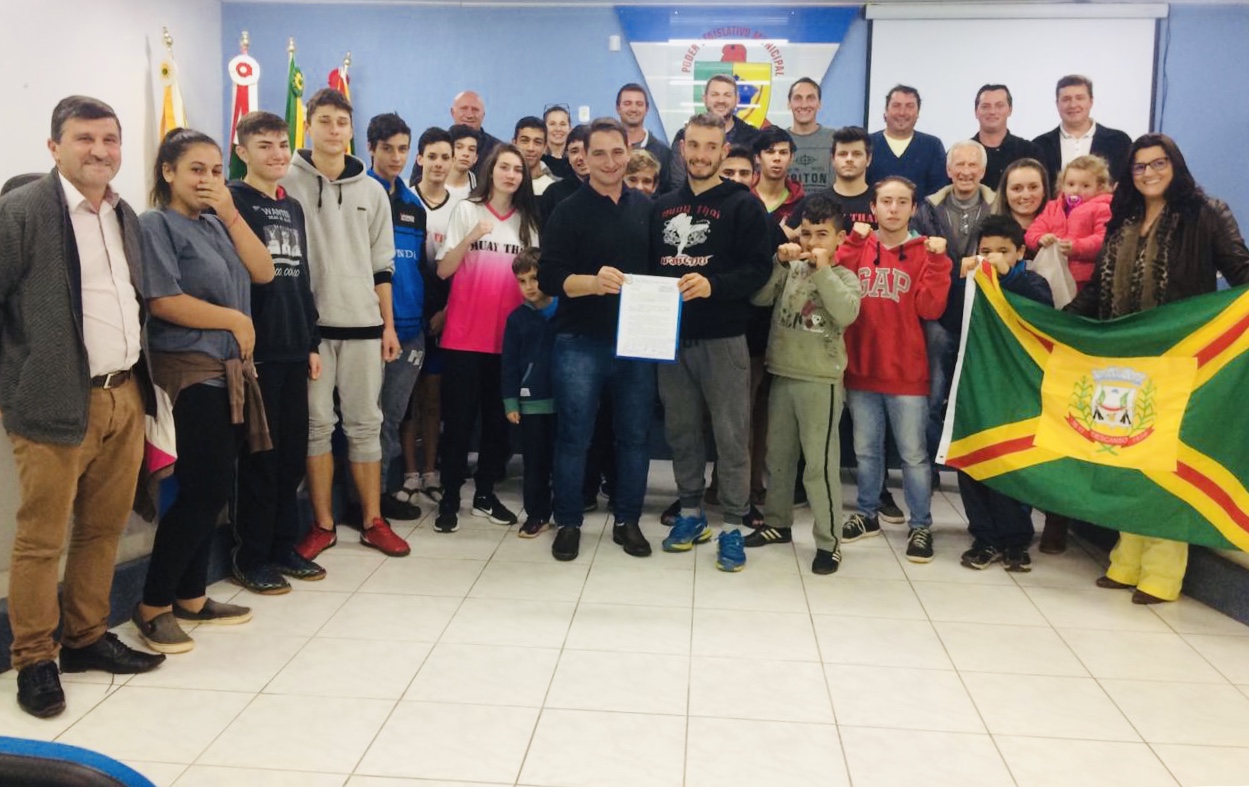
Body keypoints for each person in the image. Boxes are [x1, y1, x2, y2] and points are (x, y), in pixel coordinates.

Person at [0, 95, 165, 718]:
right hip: (52, 399)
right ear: (54, 147)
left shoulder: (125, 216)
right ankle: (35, 659)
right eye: (84, 138)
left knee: (102, 527)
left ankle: (86, 638)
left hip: (123, 393)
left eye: (110, 139)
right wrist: (10, 389)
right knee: (41, 539)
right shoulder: (21, 212)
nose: (100, 150)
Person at [1068, 133, 1249, 603]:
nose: (1148, 173)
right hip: (1125, 358)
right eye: (1140, 166)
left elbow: (1241, 272)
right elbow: (1098, 290)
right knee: (1129, 459)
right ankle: (1126, 561)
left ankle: (1163, 575)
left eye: (1158, 163)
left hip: (1180, 357)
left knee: (1165, 464)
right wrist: (1058, 325)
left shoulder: (1206, 212)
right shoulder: (1123, 217)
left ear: (1175, 165)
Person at [133, 128, 275, 653]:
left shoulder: (216, 224)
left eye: (216, 171)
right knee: (203, 491)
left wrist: (231, 212)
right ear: (168, 171)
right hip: (188, 373)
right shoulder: (155, 224)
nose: (208, 180)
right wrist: (234, 320)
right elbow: (162, 300)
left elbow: (264, 272)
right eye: (196, 169)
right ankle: (152, 605)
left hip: (228, 374)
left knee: (212, 491)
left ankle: (191, 596)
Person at [282, 88, 410, 560]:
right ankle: (322, 524)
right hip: (310, 332)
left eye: (341, 122)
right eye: (325, 121)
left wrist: (388, 326)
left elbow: (382, 267)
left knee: (365, 424)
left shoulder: (372, 191)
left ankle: (373, 521)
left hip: (363, 325)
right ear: (308, 126)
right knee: (316, 426)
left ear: (352, 129)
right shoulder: (286, 182)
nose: (334, 130)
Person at [653, 112, 773, 559]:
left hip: (724, 340)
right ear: (682, 149)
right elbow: (649, 269)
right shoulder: (662, 206)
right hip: (672, 340)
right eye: (694, 145)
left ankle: (734, 526)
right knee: (682, 432)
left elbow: (758, 270)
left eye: (710, 146)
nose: (701, 155)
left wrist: (713, 285)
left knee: (731, 435)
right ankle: (690, 512)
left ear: (724, 151)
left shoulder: (743, 205)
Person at [538, 117, 655, 562]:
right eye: (599, 153)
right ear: (583, 158)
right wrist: (591, 282)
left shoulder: (646, 208)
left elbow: (660, 271)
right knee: (574, 437)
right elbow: (548, 277)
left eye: (617, 152)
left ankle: (628, 520)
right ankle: (568, 522)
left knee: (635, 437)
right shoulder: (568, 209)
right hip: (580, 340)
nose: (610, 162)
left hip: (638, 342)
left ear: (629, 153)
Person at [228, 111, 327, 595]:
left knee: (290, 457)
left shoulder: (293, 207)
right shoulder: (231, 201)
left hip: (293, 347)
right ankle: (251, 556)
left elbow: (301, 277)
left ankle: (283, 545)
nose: (277, 154)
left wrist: (311, 341)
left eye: (283, 144)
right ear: (242, 151)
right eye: (264, 145)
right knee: (260, 460)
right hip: (257, 352)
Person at [745, 192, 861, 575]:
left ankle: (829, 542)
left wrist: (823, 270)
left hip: (820, 380)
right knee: (778, 459)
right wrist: (778, 263)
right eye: (807, 233)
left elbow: (845, 312)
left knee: (818, 466)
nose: (812, 242)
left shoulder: (844, 277)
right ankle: (777, 524)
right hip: (783, 372)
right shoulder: (791, 269)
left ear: (840, 239)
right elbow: (760, 297)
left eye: (822, 234)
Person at [837, 176, 952, 564]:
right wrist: (853, 242)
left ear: (913, 208)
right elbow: (838, 283)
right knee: (866, 451)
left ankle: (920, 524)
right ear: (873, 207)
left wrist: (938, 262)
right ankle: (867, 514)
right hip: (861, 368)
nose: (893, 208)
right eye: (886, 201)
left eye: (902, 202)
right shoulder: (859, 246)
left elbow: (930, 309)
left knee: (913, 456)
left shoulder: (925, 252)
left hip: (906, 373)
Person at [434, 144, 541, 533]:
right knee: (458, 424)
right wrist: (472, 237)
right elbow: (444, 270)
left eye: (518, 169)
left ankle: (484, 495)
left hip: (509, 341)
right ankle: (449, 499)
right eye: (504, 167)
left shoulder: (529, 220)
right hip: (464, 336)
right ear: (491, 170)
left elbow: (534, 280)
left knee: (498, 425)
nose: (511, 174)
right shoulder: (467, 210)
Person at [954, 215, 1053, 572]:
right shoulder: (971, 280)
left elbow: (1043, 308)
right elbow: (949, 318)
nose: (993, 257)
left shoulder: (1031, 281)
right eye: (985, 251)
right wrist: (958, 280)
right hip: (975, 385)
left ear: (1020, 252)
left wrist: (1008, 275)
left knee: (1009, 461)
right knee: (973, 459)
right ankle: (984, 537)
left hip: (1015, 389)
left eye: (1003, 251)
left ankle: (1015, 539)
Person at [913, 141, 994, 469]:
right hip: (939, 312)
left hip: (983, 313)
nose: (966, 171)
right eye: (959, 165)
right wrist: (957, 267)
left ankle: (977, 468)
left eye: (972, 165)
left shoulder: (998, 207)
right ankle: (930, 466)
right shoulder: (927, 209)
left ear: (983, 171)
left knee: (979, 393)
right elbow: (921, 259)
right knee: (932, 394)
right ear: (948, 170)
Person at [366, 113, 429, 523]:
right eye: (387, 148)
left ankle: (382, 494)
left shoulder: (412, 205)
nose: (395, 157)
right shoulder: (360, 194)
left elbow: (418, 266)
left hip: (410, 331)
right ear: (371, 148)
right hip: (368, 330)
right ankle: (360, 499)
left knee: (391, 417)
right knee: (364, 419)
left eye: (402, 149)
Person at [399, 128, 460, 506]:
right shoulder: (404, 201)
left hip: (445, 312)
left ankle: (431, 471)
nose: (438, 164)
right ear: (419, 159)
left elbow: (464, 267)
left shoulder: (461, 206)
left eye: (445, 157)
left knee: (434, 399)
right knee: (408, 398)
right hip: (409, 312)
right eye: (432, 156)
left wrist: (448, 311)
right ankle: (409, 472)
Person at [502, 248, 558, 537]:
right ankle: (537, 514)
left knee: (563, 461)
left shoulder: (566, 311)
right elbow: (509, 363)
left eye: (534, 278)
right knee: (534, 464)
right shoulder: (516, 319)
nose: (529, 287)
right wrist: (511, 401)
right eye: (522, 281)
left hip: (565, 401)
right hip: (531, 404)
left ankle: (566, 512)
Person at [1025, 154, 1113, 290]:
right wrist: (1040, 239)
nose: (1076, 190)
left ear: (1100, 188)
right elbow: (1032, 231)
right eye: (1071, 184)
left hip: (1084, 280)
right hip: (1052, 276)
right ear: (1062, 185)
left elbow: (1103, 240)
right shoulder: (1052, 208)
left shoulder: (1102, 209)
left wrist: (1077, 247)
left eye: (1085, 186)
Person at [667, 74, 761, 191]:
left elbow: (758, 181)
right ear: (705, 99)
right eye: (715, 95)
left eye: (727, 95)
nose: (721, 100)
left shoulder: (753, 137)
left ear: (737, 100)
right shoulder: (685, 135)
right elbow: (678, 181)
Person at [1032, 75, 1132, 184]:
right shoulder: (1040, 145)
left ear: (1091, 102)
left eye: (1079, 98)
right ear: (1057, 104)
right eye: (1066, 99)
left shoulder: (1119, 142)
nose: (1073, 105)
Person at [866, 85, 948, 198]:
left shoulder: (933, 146)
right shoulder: (866, 143)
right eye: (896, 106)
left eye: (909, 106)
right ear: (886, 110)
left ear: (918, 113)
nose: (902, 112)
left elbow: (938, 193)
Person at [971, 84, 1044, 190]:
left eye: (999, 106)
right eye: (985, 106)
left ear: (1010, 110)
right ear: (976, 112)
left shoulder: (1030, 152)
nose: (992, 112)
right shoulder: (961, 153)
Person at [616, 83, 672, 193]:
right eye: (627, 103)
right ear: (618, 108)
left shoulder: (664, 153)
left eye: (639, 104)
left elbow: (666, 194)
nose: (633, 109)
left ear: (647, 109)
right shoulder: (609, 151)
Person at [752, 126, 806, 229]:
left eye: (783, 153)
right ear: (757, 157)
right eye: (770, 152)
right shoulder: (745, 197)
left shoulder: (800, 203)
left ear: (791, 158)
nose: (777, 158)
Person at [786, 77, 835, 191]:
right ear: (789, 104)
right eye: (798, 98)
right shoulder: (778, 141)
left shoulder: (835, 139)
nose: (804, 105)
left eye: (810, 98)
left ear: (819, 104)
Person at [540, 124, 590, 229]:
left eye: (586, 150)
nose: (581, 157)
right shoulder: (553, 193)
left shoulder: (612, 191)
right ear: (567, 155)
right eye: (574, 151)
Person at [991, 158, 1051, 237]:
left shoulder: (1059, 232)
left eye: (1033, 187)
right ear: (1004, 193)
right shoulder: (990, 233)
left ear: (1044, 191)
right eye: (1017, 188)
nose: (1026, 195)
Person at [450, 90, 502, 175]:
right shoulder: (437, 144)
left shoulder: (498, 150)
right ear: (452, 112)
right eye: (464, 109)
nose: (469, 115)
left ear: (483, 115)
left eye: (475, 110)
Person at [513, 116, 558, 195]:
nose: (530, 148)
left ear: (545, 147)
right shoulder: (500, 183)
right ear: (514, 143)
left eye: (537, 142)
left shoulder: (555, 187)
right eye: (525, 141)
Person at [445, 124, 479, 198]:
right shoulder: (430, 183)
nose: (466, 154)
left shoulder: (480, 190)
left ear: (476, 158)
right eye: (459, 147)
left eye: (471, 149)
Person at [542, 104, 574, 181]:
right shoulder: (538, 161)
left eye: (563, 124)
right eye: (552, 124)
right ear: (543, 129)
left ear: (570, 129)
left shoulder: (576, 161)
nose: (558, 129)